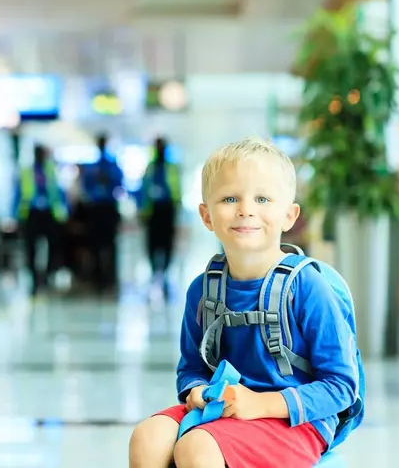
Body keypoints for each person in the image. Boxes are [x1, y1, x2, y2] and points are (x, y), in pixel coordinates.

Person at [128, 137, 359, 468]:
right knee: (147, 438)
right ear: (207, 216)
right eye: (229, 198)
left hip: (298, 421)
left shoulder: (308, 287)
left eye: (262, 198)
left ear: (289, 215)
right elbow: (192, 367)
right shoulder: (203, 290)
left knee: (197, 448)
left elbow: (341, 387)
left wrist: (262, 404)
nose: (246, 209)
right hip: (224, 412)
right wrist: (196, 391)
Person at [15, 144, 68, 294]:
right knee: (31, 247)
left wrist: (64, 213)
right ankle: (34, 277)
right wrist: (16, 216)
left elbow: (59, 193)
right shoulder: (27, 172)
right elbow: (19, 194)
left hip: (49, 213)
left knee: (52, 246)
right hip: (31, 213)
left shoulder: (51, 172)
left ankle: (47, 275)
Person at [81, 134, 124, 292]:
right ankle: (97, 278)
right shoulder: (92, 167)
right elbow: (86, 186)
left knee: (110, 245)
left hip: (108, 207)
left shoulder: (111, 166)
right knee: (95, 245)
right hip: (95, 208)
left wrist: (108, 179)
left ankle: (110, 278)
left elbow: (120, 184)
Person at [139, 137, 181, 290]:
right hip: (152, 210)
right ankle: (154, 268)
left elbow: (176, 189)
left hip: (167, 209)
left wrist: (176, 206)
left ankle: (165, 269)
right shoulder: (150, 168)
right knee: (152, 241)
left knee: (167, 241)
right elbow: (144, 189)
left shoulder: (171, 167)